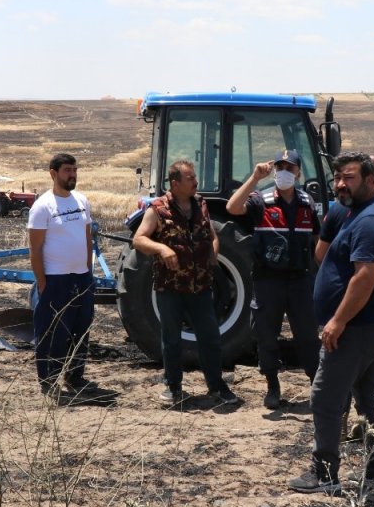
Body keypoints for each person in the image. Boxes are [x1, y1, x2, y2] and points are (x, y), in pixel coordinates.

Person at [290, 151, 374, 494]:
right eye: (337, 177)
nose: (340, 184)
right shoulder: (360, 212)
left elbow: (365, 278)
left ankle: (324, 474)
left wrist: (337, 321)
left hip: (356, 328)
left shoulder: (370, 220)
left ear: (370, 179)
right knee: (369, 399)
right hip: (369, 325)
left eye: (349, 177)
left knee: (325, 398)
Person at [132, 159, 239, 407]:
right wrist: (161, 248)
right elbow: (139, 240)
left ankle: (216, 386)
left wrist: (213, 252)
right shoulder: (157, 209)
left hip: (200, 286)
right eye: (190, 178)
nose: (196, 182)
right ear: (176, 183)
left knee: (210, 337)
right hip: (170, 288)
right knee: (171, 339)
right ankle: (173, 386)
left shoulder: (200, 204)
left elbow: (211, 234)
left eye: (194, 178)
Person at [226, 149, 320, 409]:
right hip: (268, 281)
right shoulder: (260, 200)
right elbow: (232, 207)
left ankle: (317, 385)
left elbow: (317, 242)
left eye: (290, 168)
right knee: (267, 336)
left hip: (300, 280)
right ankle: (272, 385)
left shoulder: (307, 203)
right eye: (280, 167)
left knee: (308, 337)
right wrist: (255, 177)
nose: (284, 172)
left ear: (299, 172)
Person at [28, 152, 98, 399]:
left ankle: (76, 376)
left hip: (82, 278)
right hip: (56, 279)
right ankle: (48, 379)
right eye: (67, 170)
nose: (72, 174)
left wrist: (88, 272)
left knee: (81, 328)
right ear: (53, 173)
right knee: (53, 331)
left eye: (75, 170)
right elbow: (35, 249)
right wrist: (42, 282)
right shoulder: (43, 206)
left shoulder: (81, 200)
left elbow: (87, 237)